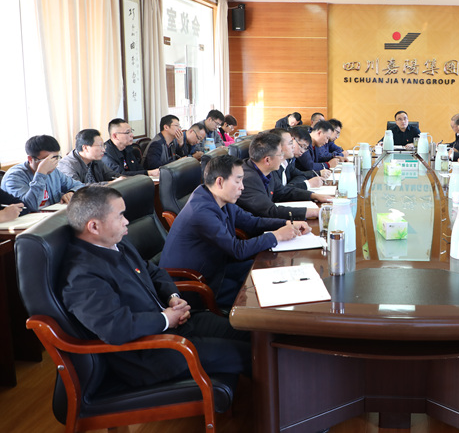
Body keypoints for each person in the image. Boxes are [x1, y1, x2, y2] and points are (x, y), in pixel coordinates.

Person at [60, 185, 250, 387]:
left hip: (175, 327)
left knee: (251, 333)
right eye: (120, 216)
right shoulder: (81, 275)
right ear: (94, 226)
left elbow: (154, 272)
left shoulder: (117, 243)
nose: (126, 221)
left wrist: (172, 297)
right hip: (150, 353)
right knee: (248, 354)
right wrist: (165, 319)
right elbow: (115, 328)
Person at [159, 155, 309, 308]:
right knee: (261, 296)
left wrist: (288, 223)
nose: (242, 187)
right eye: (238, 181)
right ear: (219, 182)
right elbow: (237, 250)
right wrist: (277, 236)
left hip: (218, 267)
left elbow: (253, 222)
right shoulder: (201, 212)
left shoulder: (219, 198)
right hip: (197, 284)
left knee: (268, 269)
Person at [238, 132, 329, 220]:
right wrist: (314, 212)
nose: (282, 158)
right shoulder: (248, 179)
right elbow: (269, 211)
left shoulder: (265, 170)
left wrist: (314, 196)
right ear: (267, 160)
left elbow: (283, 192)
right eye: (280, 154)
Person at [2, 135, 84, 210]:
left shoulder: (54, 172)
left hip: (51, 215)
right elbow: (28, 206)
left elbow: (80, 186)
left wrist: (72, 192)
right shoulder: (14, 176)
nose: (52, 163)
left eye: (55, 158)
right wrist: (41, 173)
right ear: (30, 159)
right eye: (46, 160)